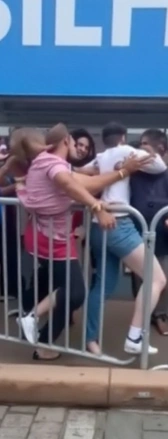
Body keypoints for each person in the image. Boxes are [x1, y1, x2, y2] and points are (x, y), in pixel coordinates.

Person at [11, 125, 148, 360]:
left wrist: (120, 171)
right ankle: (35, 326)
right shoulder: (51, 164)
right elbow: (69, 184)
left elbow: (86, 182)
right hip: (52, 239)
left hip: (49, 236)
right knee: (74, 292)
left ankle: (39, 334)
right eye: (76, 144)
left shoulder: (46, 163)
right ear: (66, 141)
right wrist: (97, 206)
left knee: (71, 291)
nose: (79, 148)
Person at [84, 122, 168, 356]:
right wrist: (146, 153)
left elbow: (81, 173)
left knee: (102, 286)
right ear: (123, 137)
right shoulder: (129, 152)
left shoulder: (101, 158)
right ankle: (134, 336)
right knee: (156, 279)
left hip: (97, 224)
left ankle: (91, 340)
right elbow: (160, 166)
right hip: (119, 224)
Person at [130, 129, 168, 336]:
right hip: (137, 235)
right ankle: (143, 319)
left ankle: (160, 314)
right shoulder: (133, 174)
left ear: (160, 150)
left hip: (164, 236)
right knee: (143, 280)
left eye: (145, 144)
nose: (140, 148)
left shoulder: (167, 175)